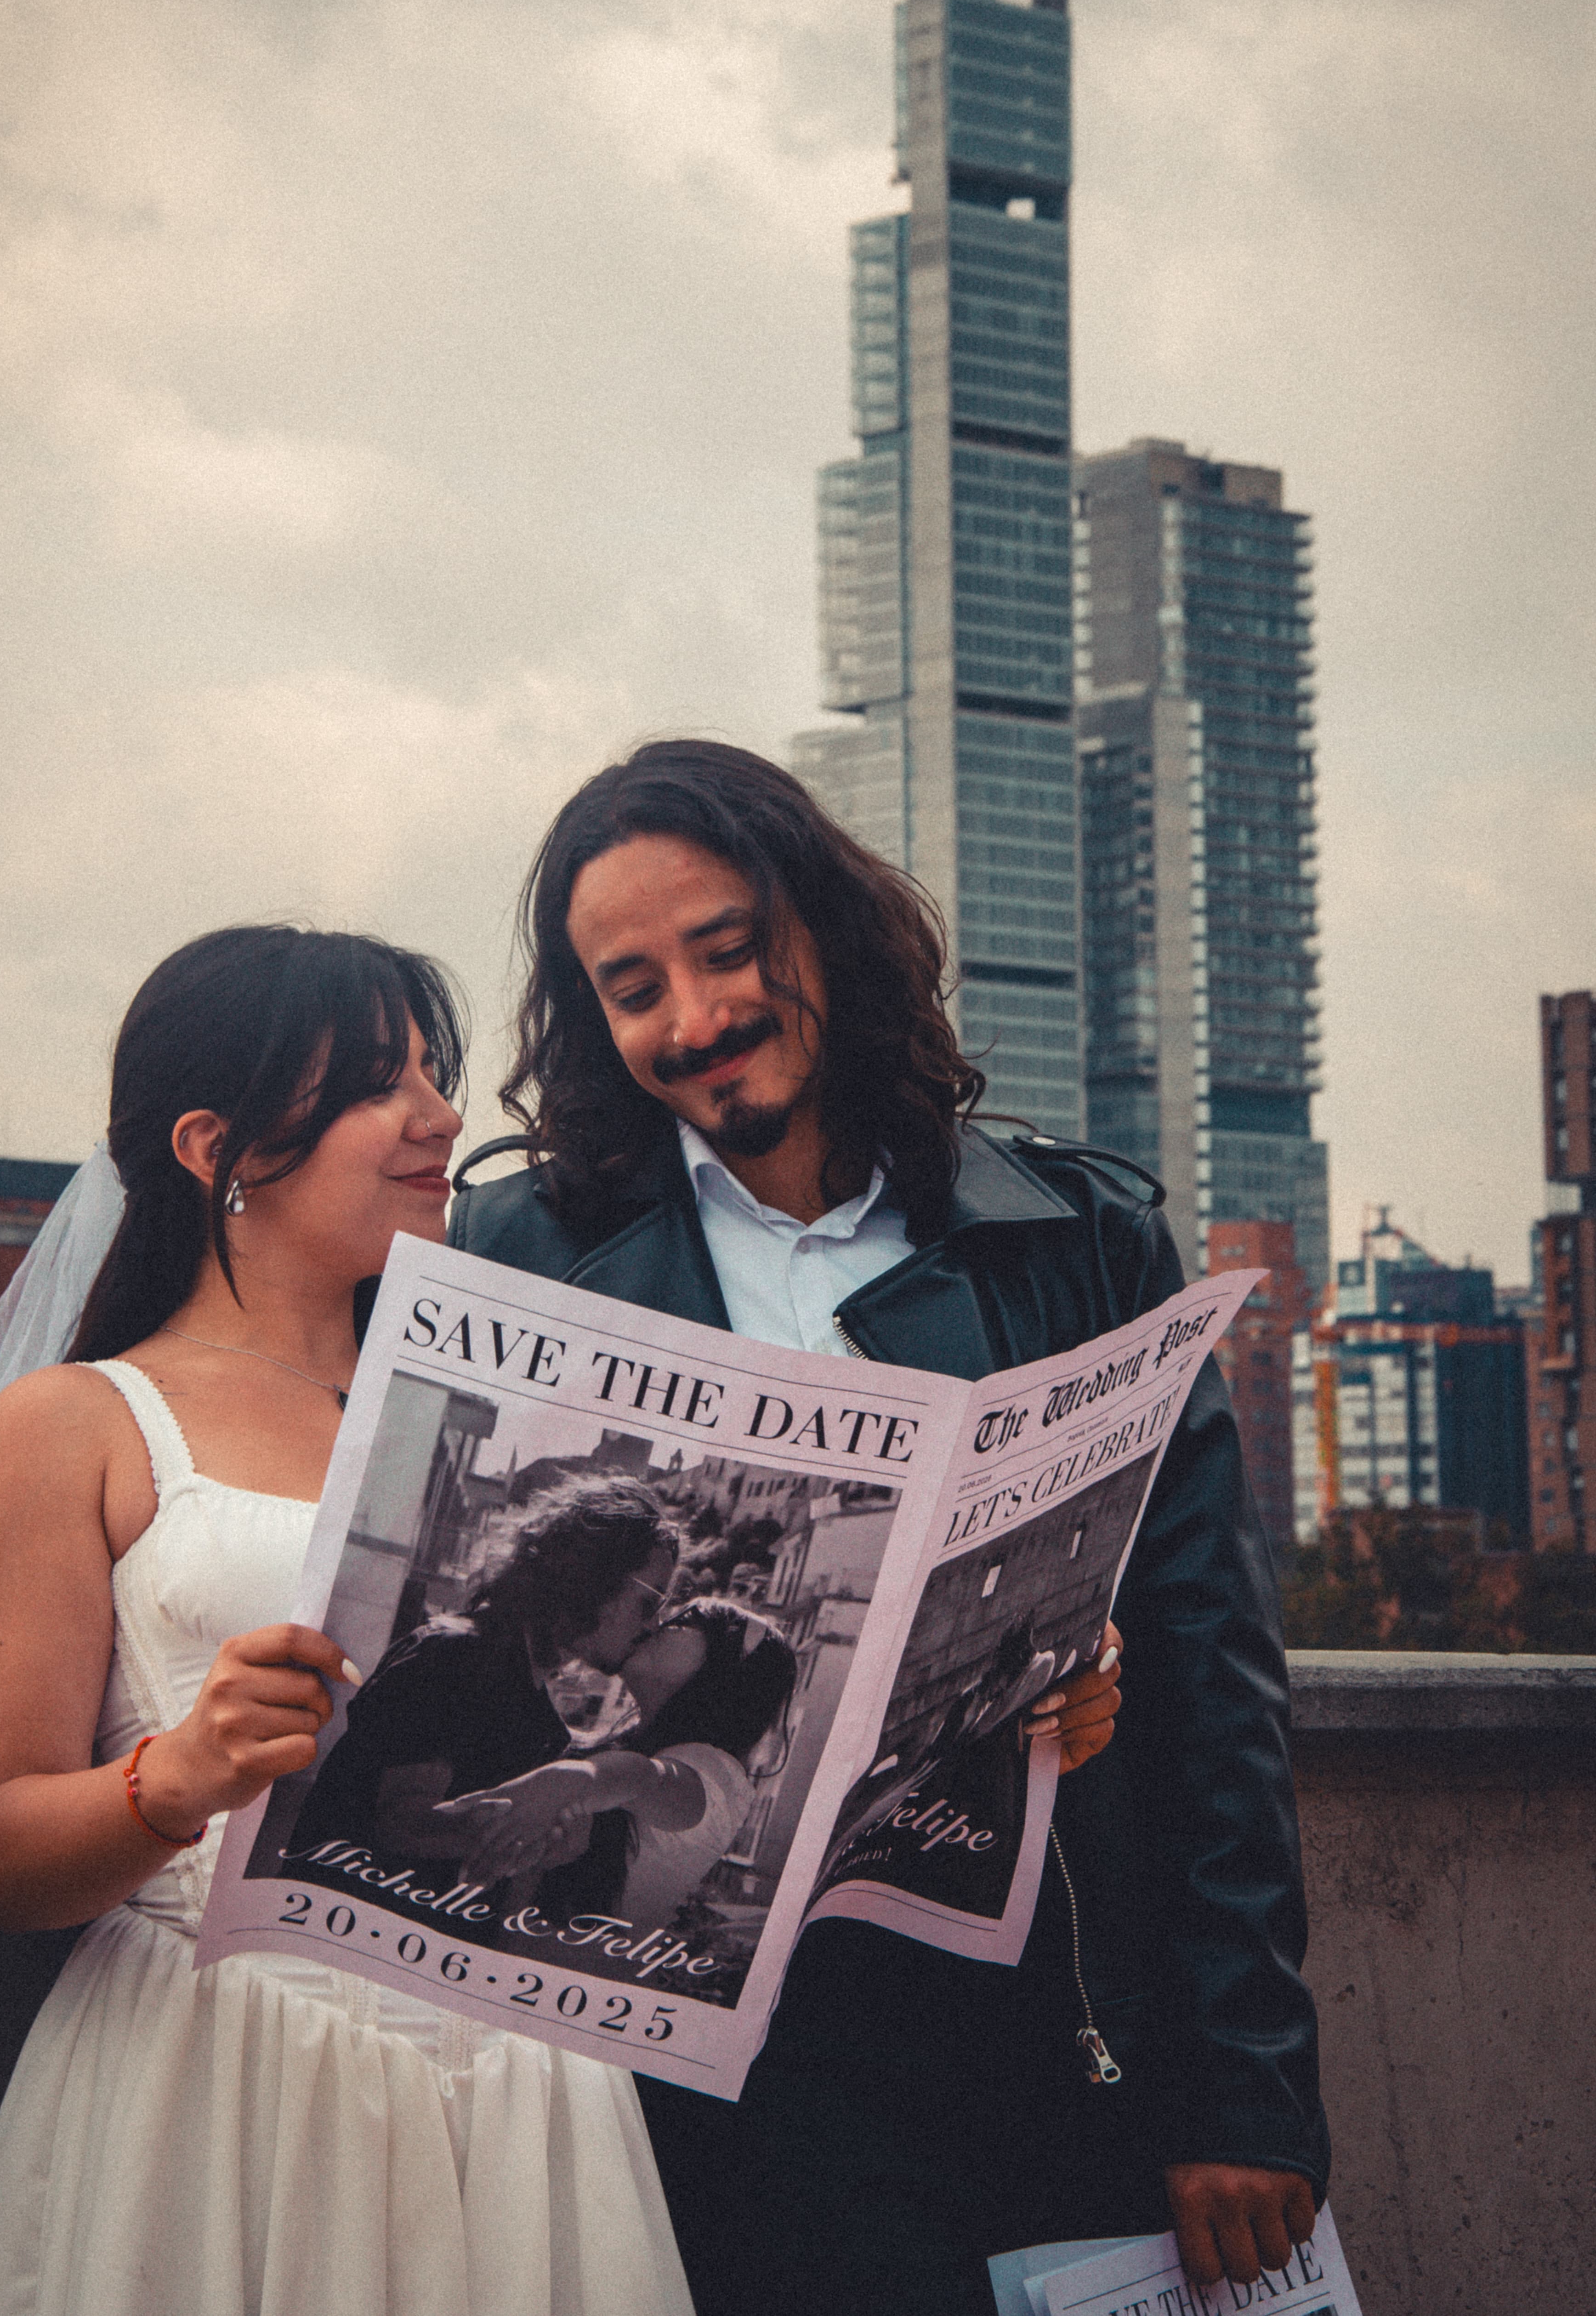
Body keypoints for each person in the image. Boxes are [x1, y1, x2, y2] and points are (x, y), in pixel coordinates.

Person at [449, 737, 1328, 2316]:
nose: (697, 1015)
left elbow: (1214, 1690)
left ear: (825, 929)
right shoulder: (522, 1250)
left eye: (727, 949)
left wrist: (1245, 2090)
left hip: (1043, 2035)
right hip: (673, 2069)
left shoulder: (1082, 1241)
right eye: (633, 986)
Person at [0, 924, 692, 2316]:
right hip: (224, 2078)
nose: (441, 1116)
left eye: (434, 1073)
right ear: (219, 1143)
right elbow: (4, 1856)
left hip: (523, 2071)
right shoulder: (79, 1422)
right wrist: (184, 1773)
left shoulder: (505, 1417)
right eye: (377, 1081)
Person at [283, 1472, 679, 1896]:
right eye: (649, 1602)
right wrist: (533, 1829)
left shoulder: (540, 1711)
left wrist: (545, 1847)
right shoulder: (456, 1655)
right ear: (593, 1577)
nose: (654, 1624)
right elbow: (398, 1821)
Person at [448, 1595, 801, 1934]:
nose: (660, 1623)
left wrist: (574, 1780)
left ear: (726, 1673)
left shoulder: (716, 1771)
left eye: (687, 1620)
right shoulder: (627, 1745)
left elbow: (640, 1777)